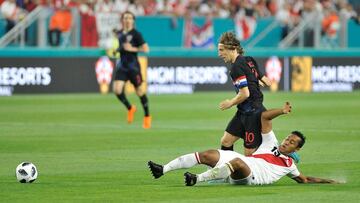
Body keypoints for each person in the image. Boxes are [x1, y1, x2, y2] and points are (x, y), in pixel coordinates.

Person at [148, 102, 338, 186]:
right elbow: (264, 117)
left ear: (296, 149)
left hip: (251, 176)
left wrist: (329, 181)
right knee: (207, 154)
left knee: (239, 163)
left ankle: (196, 180)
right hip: (242, 160)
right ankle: (162, 169)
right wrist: (281, 110)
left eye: (292, 142)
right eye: (288, 138)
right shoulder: (271, 142)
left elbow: (304, 180)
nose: (287, 141)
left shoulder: (290, 166)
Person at [217, 31, 271, 155]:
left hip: (253, 113)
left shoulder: (235, 68)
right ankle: (227, 171)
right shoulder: (249, 60)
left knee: (249, 153)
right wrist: (255, 82)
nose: (219, 54)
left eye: (221, 50)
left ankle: (279, 157)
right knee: (226, 141)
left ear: (232, 49)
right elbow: (267, 82)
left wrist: (229, 103)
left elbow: (245, 94)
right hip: (244, 111)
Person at [113, 11, 151, 129]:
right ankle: (130, 108)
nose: (127, 20)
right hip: (122, 66)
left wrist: (132, 48)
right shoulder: (119, 34)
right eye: (125, 18)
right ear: (122, 20)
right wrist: (116, 50)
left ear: (133, 20)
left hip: (133, 67)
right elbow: (120, 47)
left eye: (129, 18)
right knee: (117, 90)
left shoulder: (136, 34)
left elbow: (146, 49)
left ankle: (147, 116)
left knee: (140, 92)